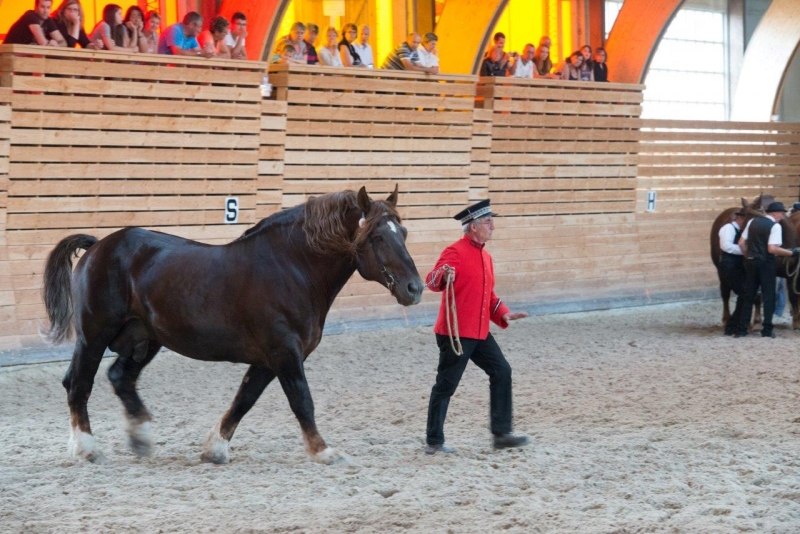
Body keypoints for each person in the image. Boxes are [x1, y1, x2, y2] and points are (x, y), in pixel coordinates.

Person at [424, 199, 529, 454]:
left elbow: (488, 296)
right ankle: (434, 441)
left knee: (502, 371)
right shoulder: (455, 252)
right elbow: (432, 279)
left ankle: (501, 433)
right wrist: (444, 275)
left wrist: (503, 314)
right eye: (487, 221)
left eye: (492, 221)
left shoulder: (486, 257)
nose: (492, 226)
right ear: (472, 227)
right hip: (455, 333)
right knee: (446, 385)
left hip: (479, 333)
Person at [735, 202, 800, 338]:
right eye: (781, 214)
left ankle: (741, 330)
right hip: (767, 263)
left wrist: (748, 255)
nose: (782, 217)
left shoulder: (752, 222)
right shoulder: (775, 226)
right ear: (774, 213)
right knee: (769, 296)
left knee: (749, 295)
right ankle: (767, 330)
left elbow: (741, 243)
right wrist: (791, 253)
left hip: (751, 262)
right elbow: (772, 249)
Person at [718, 210, 747, 335]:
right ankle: (731, 325)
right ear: (740, 218)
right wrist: (745, 251)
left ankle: (733, 325)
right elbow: (726, 246)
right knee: (744, 293)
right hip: (729, 265)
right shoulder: (728, 228)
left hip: (736, 265)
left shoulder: (739, 231)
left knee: (744, 294)